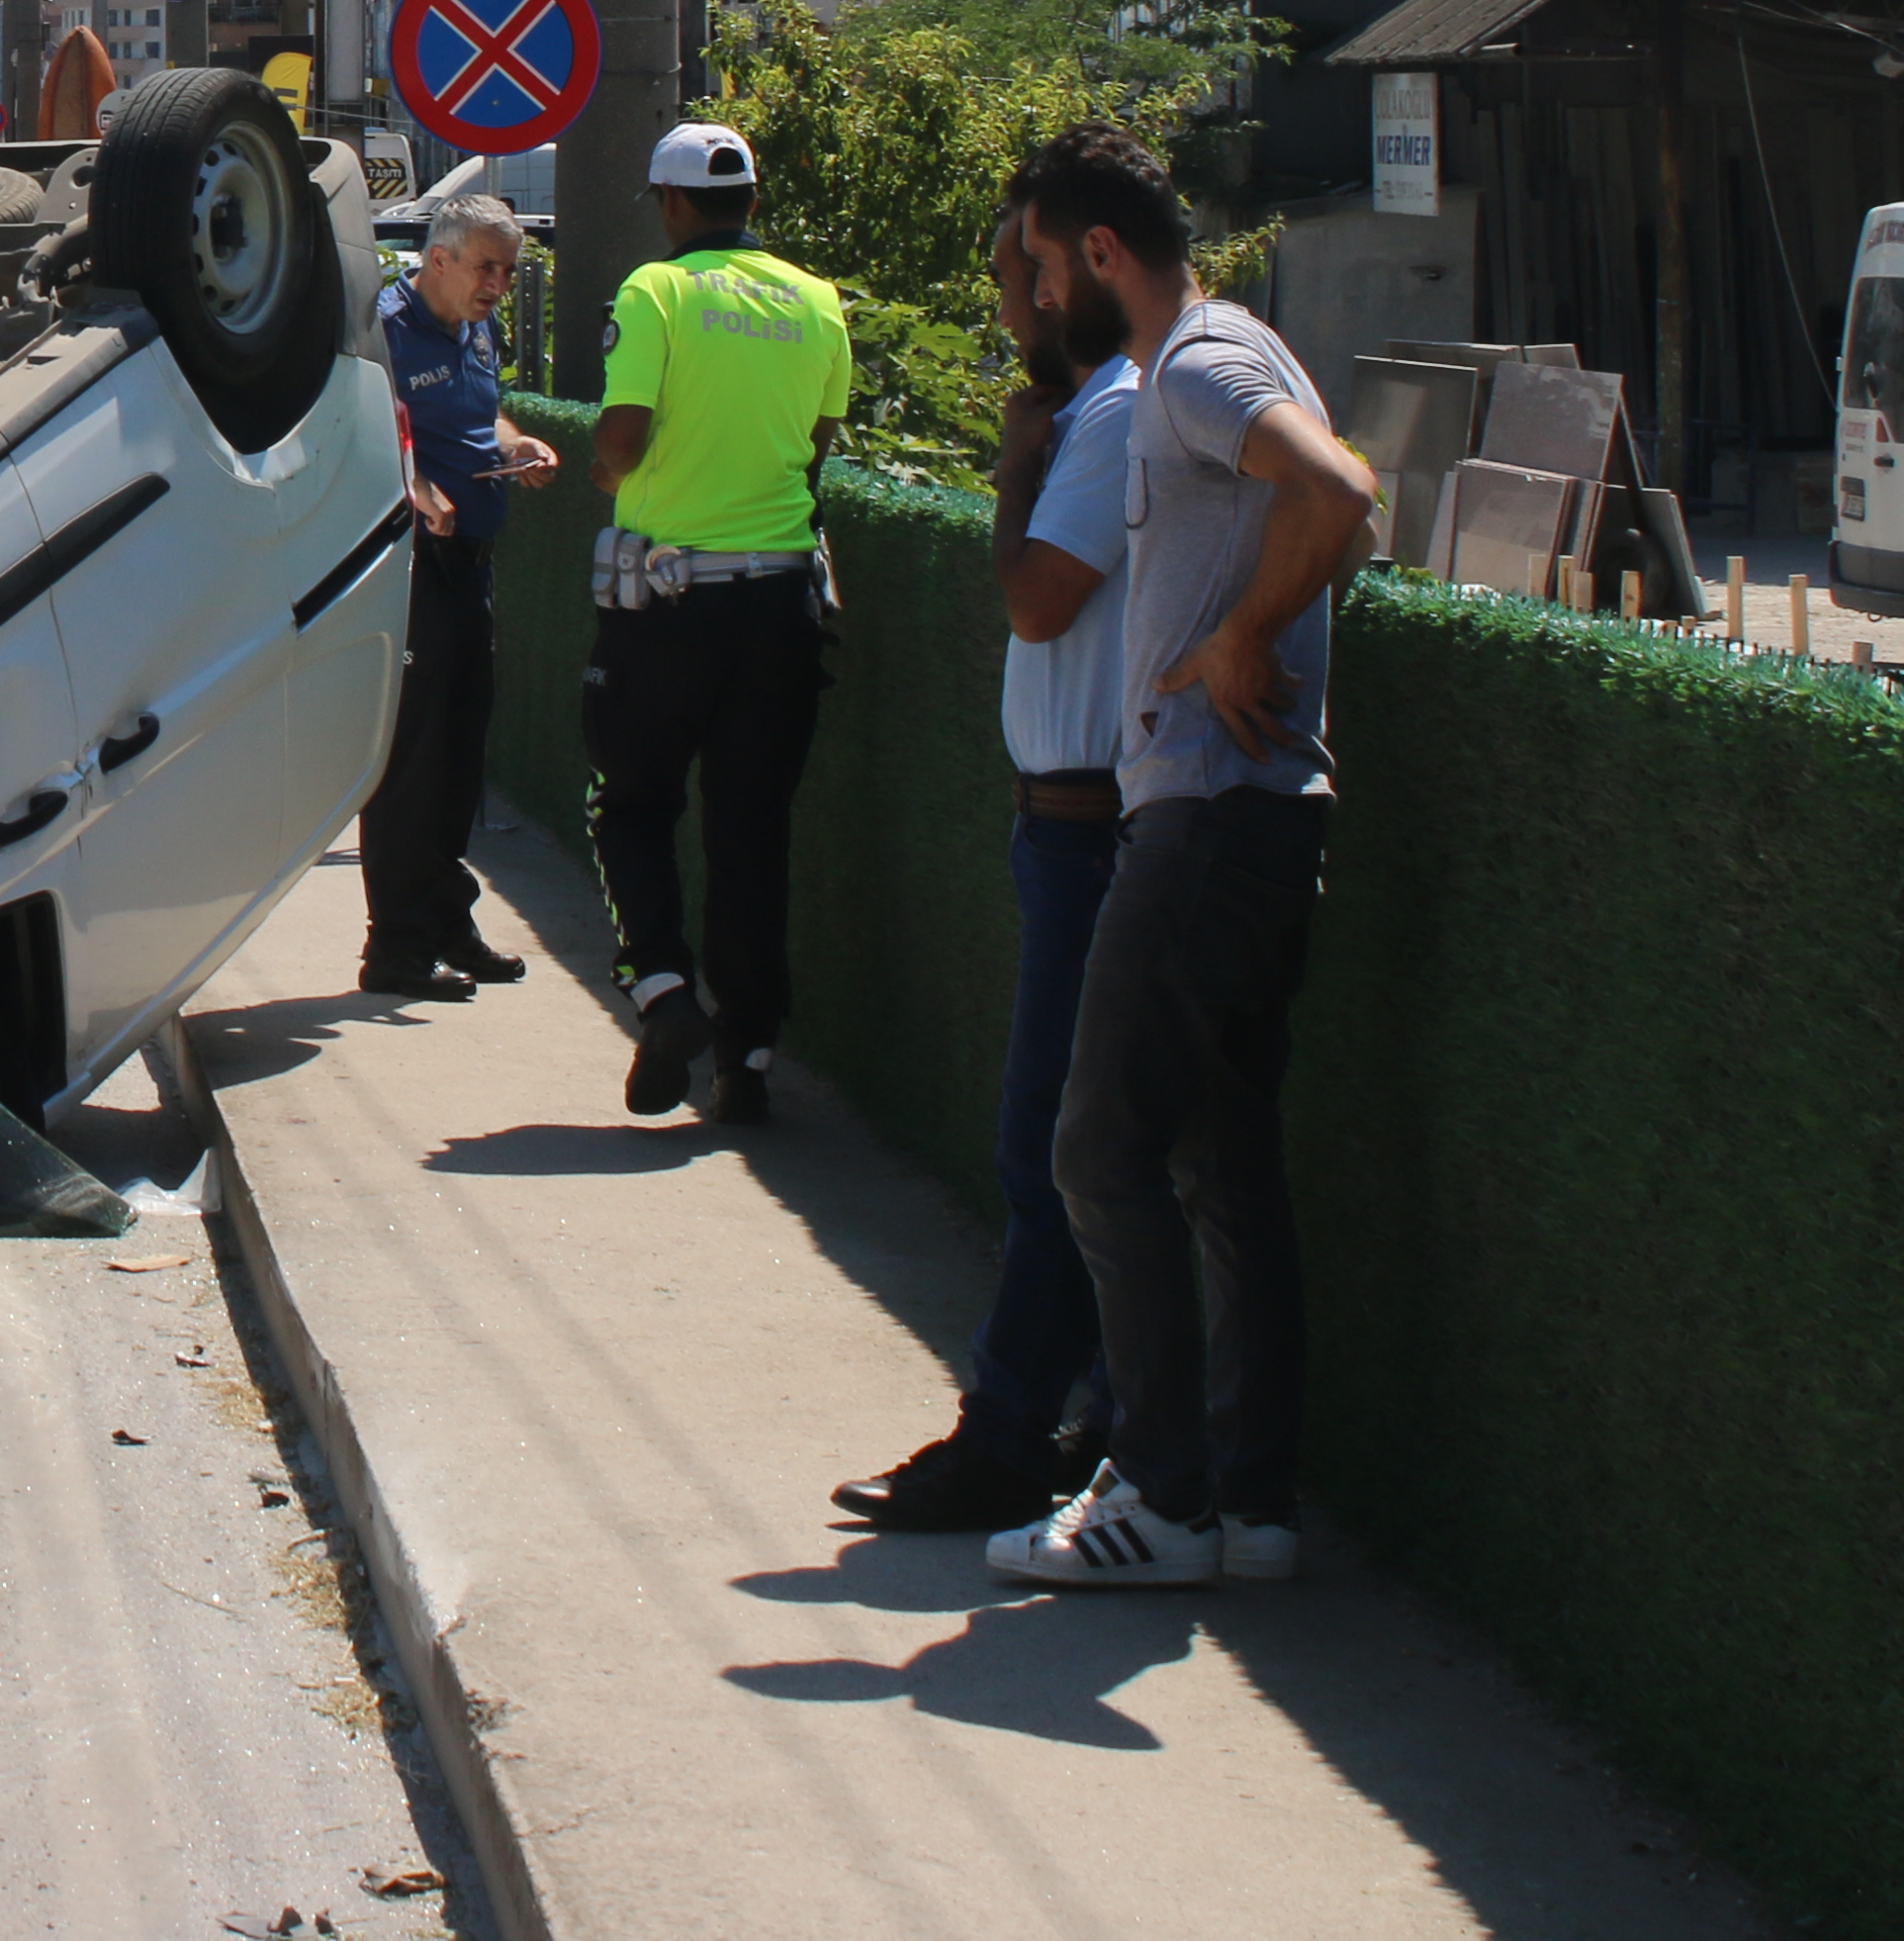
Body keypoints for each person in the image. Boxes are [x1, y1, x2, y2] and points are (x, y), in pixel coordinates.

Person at [988, 124, 1374, 1593]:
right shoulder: (1218, 356)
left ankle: (1156, 1491)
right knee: (1218, 1160)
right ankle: (1246, 1507)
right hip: (1246, 814)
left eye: (1036, 266)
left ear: (1098, 256)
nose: (1028, 299)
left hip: (1208, 816)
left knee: (1097, 1149)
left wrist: (1241, 637)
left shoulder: (1200, 363)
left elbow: (1332, 491)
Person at [834, 200, 1139, 1530]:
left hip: (1101, 830)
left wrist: (1017, 465)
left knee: (1054, 1148)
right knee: (1076, 1148)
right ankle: (1093, 1420)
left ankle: (1019, 1432)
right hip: (1065, 824)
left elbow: (1037, 597)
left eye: (1020, 282)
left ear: (1077, 277)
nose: (1006, 311)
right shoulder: (1102, 413)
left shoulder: (1111, 415)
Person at [581, 121, 853, 1125]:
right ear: (752, 201)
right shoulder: (818, 300)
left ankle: (660, 989)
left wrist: (611, 473)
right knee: (752, 830)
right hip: (780, 605)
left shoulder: (658, 292)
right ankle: (750, 1058)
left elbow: (624, 432)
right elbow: (819, 437)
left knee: (630, 801)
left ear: (671, 204)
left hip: (667, 605)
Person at [360, 191, 560, 996]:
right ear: (436, 258)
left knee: (458, 756)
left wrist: (522, 446)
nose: (498, 286)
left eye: (509, 272)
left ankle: (447, 921)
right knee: (412, 762)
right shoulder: (381, 329)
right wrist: (415, 489)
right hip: (412, 568)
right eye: (486, 268)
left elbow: (487, 420)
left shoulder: (475, 327)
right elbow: (360, 426)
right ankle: (395, 949)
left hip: (471, 560)